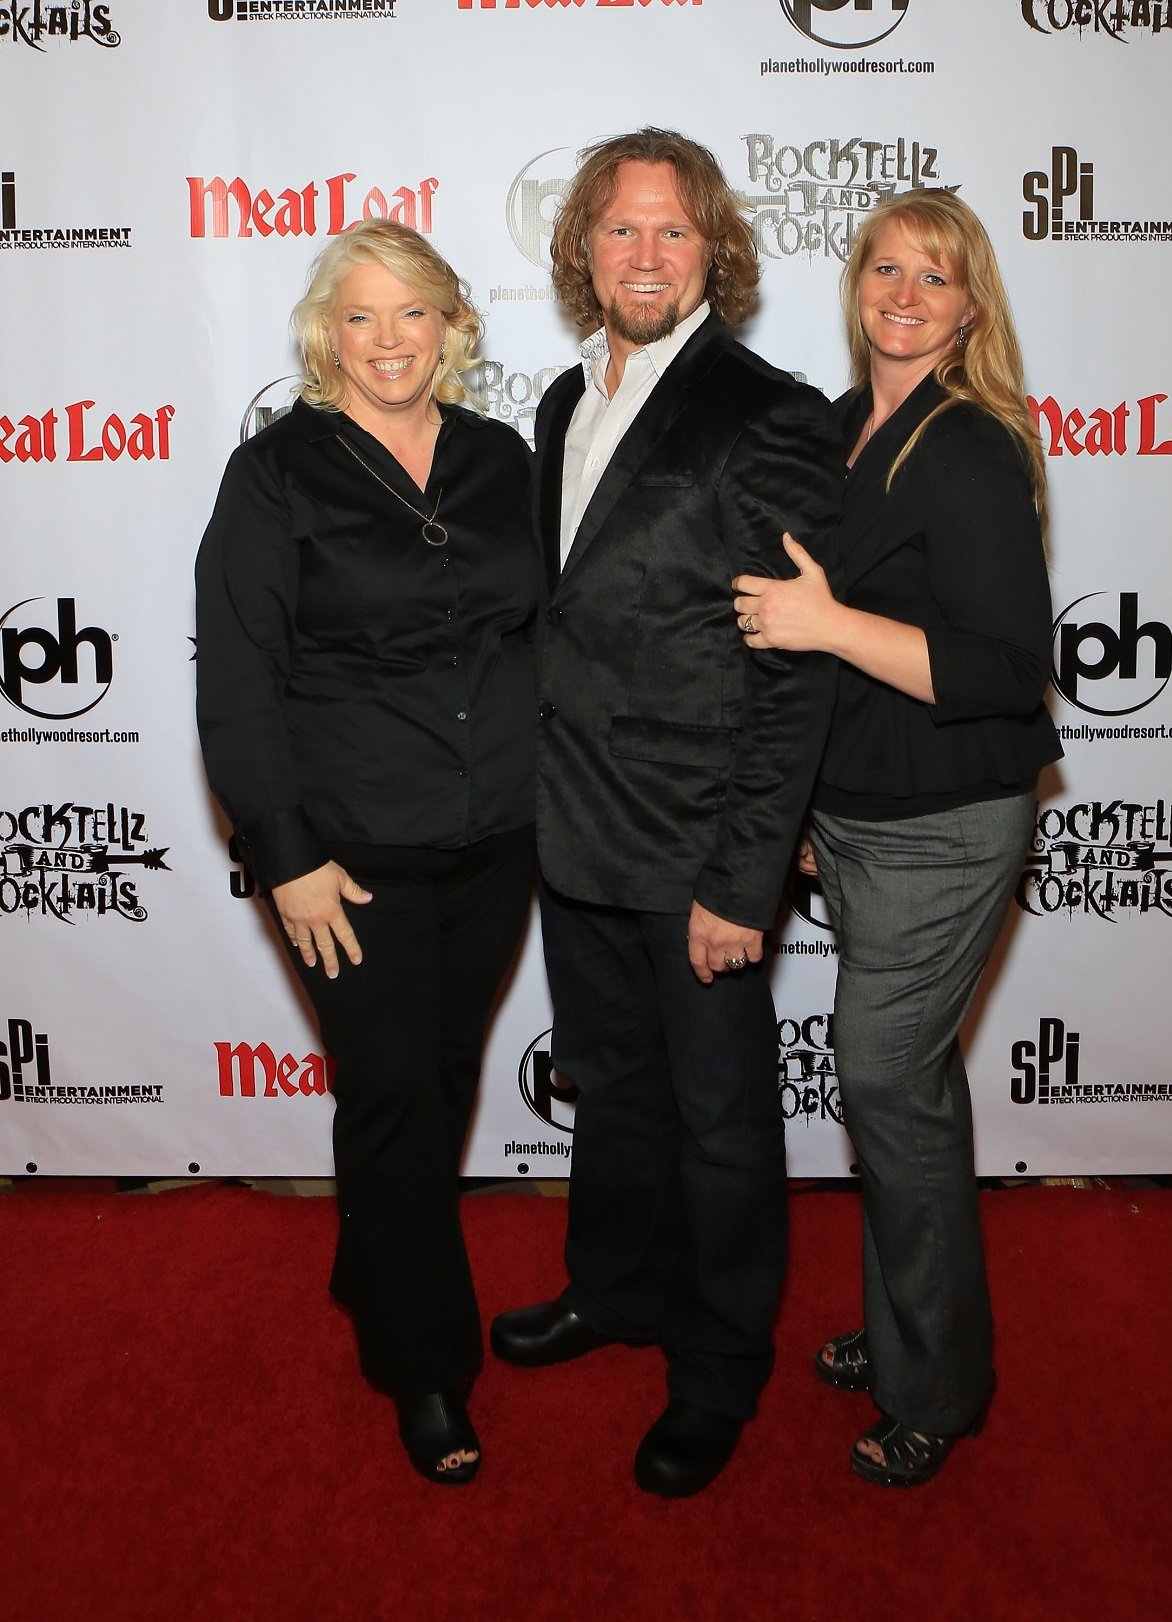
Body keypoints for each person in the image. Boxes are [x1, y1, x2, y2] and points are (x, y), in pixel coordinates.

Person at [488, 128, 842, 1497]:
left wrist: (746, 877)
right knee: (615, 1089)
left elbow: (797, 663)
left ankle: (718, 1367)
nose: (645, 256)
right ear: (583, 246)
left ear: (716, 253)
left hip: (700, 844)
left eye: (673, 233)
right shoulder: (559, 408)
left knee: (720, 1117)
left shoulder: (769, 411)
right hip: (571, 828)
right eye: (621, 230)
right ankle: (614, 1289)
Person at [195, 220, 537, 1485]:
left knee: (439, 1076)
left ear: (452, 327)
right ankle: (427, 1367)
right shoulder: (276, 472)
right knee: (393, 1093)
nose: (390, 341)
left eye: (415, 315)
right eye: (362, 318)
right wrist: (283, 854)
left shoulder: (504, 458)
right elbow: (236, 680)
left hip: (500, 833)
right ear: (322, 334)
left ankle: (368, 1257)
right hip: (349, 855)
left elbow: (548, 631)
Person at [732, 188, 1063, 1486]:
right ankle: (899, 1321)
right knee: (905, 1090)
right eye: (887, 268)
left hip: (948, 826)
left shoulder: (970, 446)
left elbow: (1003, 664)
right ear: (857, 282)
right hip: (861, 819)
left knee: (880, 1079)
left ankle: (942, 1380)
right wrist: (807, 798)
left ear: (971, 305)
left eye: (936, 276)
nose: (906, 294)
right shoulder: (842, 426)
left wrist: (827, 628)